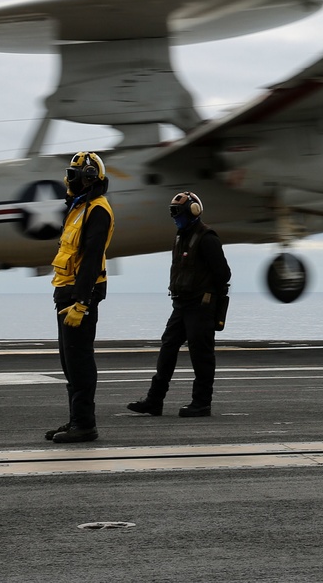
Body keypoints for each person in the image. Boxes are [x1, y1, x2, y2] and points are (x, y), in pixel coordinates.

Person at [127, 191, 230, 418]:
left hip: (200, 306)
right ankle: (154, 401)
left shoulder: (207, 238)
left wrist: (208, 297)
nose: (175, 217)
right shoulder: (180, 236)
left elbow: (224, 274)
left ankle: (202, 403)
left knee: (201, 354)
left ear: (193, 211)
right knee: (168, 348)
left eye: (178, 213)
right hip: (181, 305)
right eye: (173, 213)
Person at [46, 151, 114, 443]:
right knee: (69, 362)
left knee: (80, 361)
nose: (68, 181)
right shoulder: (77, 208)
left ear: (89, 178)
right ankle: (76, 419)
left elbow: (90, 260)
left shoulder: (97, 210)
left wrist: (82, 302)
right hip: (65, 293)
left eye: (73, 177)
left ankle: (85, 425)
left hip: (79, 295)